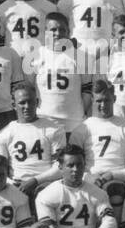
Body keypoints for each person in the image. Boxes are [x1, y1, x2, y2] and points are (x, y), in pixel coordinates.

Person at [69, 79, 125, 209]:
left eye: (107, 100)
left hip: (117, 180)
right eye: (99, 101)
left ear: (114, 98)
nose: (103, 105)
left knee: (114, 187)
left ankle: (116, 227)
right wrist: (90, 178)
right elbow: (71, 166)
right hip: (89, 179)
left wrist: (112, 175)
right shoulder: (82, 129)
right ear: (92, 99)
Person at [0, 84, 64, 203]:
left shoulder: (54, 129)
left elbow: (61, 167)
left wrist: (35, 181)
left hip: (45, 183)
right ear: (13, 105)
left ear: (37, 102)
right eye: (22, 103)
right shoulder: (3, 134)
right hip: (16, 184)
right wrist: (13, 185)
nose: (26, 106)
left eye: (30, 102)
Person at [32, 11, 90, 141]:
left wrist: (78, 113)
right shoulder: (36, 55)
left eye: (62, 30)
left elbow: (87, 91)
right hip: (44, 122)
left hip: (74, 124)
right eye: (53, 29)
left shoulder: (81, 57)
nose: (58, 33)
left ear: (68, 32)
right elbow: (29, 88)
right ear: (45, 31)